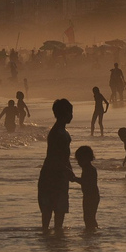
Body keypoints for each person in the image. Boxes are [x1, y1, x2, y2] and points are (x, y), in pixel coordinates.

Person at [38, 99, 78, 234]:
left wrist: (69, 171)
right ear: (65, 113)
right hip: (53, 175)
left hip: (58, 174)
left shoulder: (61, 131)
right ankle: (55, 240)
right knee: (50, 211)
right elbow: (56, 158)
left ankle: (55, 239)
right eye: (70, 113)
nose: (72, 116)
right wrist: (68, 171)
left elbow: (64, 157)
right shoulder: (58, 133)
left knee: (56, 211)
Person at [75, 145, 99, 231]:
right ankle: (93, 230)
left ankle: (91, 231)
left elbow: (85, 182)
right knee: (90, 216)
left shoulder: (89, 169)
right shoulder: (88, 168)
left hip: (91, 196)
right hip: (90, 196)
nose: (79, 163)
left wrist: (74, 179)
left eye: (80, 160)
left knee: (88, 217)